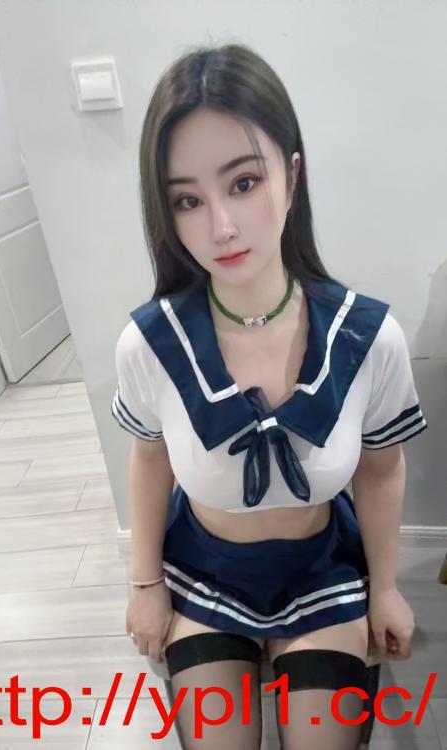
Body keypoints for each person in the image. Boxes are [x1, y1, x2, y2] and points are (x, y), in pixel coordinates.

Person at [111, 42, 428, 749]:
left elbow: (382, 469)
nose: (221, 226)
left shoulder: (366, 338)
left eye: (244, 182)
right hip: (205, 575)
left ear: (292, 174)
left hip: (320, 572)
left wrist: (384, 588)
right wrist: (144, 586)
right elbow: (149, 458)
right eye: (188, 200)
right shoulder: (151, 344)